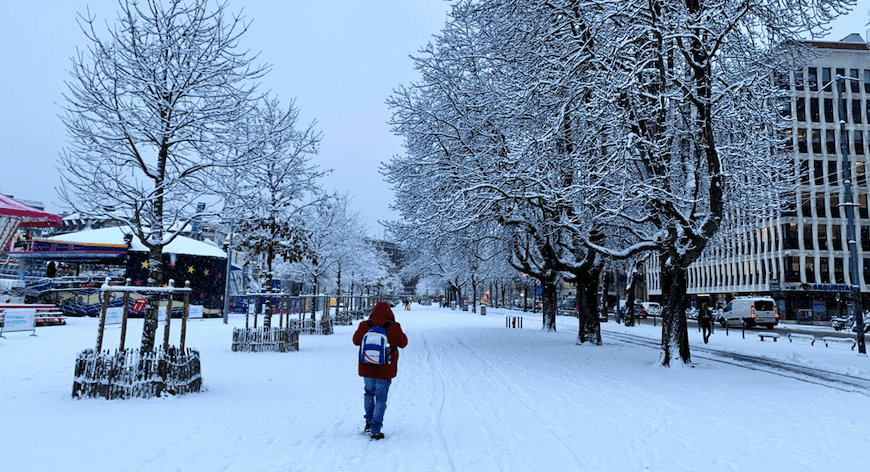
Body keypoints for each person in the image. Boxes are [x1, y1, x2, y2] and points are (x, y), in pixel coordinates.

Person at [352, 301, 408, 440]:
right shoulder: (394, 326)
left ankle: (368, 422)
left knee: (369, 393)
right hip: (385, 368)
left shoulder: (365, 325)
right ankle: (376, 429)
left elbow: (356, 340)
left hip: (367, 367)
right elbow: (403, 343)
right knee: (381, 398)